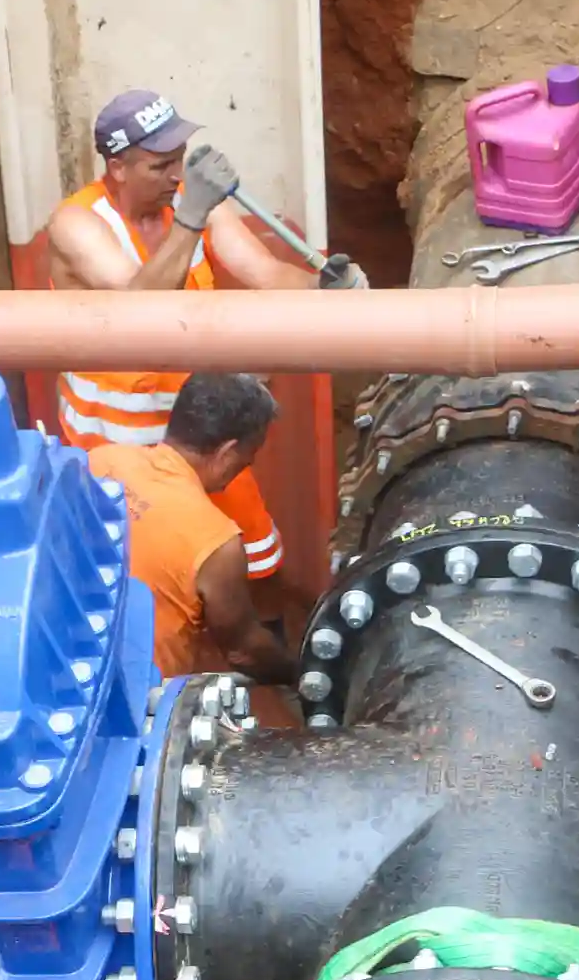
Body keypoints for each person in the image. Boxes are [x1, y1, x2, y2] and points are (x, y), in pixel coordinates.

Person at [49, 88, 367, 586]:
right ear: (117, 167)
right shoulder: (79, 225)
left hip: (200, 442)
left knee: (247, 571)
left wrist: (319, 284)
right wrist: (193, 215)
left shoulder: (187, 204)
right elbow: (142, 311)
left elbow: (263, 270)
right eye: (159, 165)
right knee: (141, 584)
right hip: (119, 458)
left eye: (179, 160)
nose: (177, 176)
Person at [87, 373, 299, 686]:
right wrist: (299, 673)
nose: (246, 466)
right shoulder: (215, 542)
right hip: (139, 701)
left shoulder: (101, 461)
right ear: (226, 454)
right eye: (247, 459)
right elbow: (244, 651)